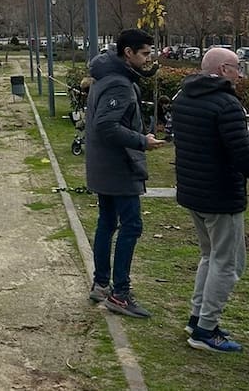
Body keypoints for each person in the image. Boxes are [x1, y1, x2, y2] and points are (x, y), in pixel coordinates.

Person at [172, 47, 249, 353]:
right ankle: (206, 330)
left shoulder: (185, 97)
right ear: (224, 69)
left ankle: (197, 317)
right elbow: (245, 157)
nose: (241, 74)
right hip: (220, 194)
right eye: (238, 67)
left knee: (209, 256)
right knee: (228, 264)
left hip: (193, 191)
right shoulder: (226, 105)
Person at [85, 28, 164, 319]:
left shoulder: (105, 76)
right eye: (144, 53)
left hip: (104, 165)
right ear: (127, 53)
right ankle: (120, 293)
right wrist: (142, 140)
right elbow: (106, 125)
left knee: (107, 221)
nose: (148, 59)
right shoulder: (119, 83)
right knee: (131, 226)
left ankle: (101, 283)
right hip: (118, 167)